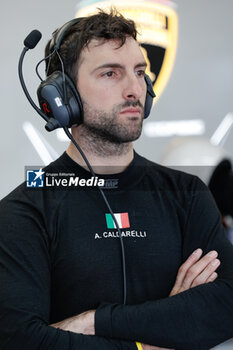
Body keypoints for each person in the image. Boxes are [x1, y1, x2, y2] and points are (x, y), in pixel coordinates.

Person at [0, 9, 233, 350]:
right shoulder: (26, 207)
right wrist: (159, 338)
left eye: (140, 73)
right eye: (110, 73)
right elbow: (20, 340)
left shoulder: (187, 192)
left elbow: (227, 304)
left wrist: (94, 321)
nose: (134, 89)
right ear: (64, 97)